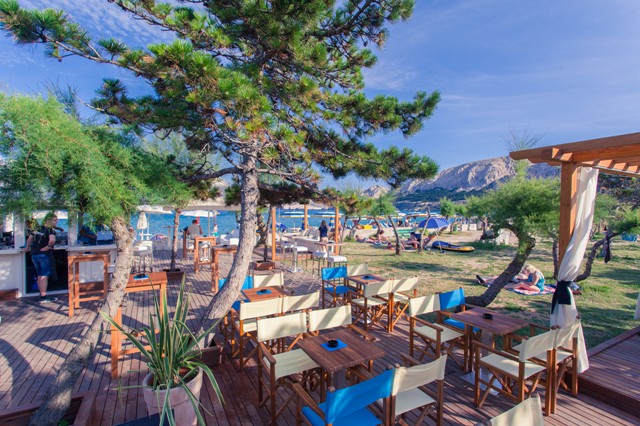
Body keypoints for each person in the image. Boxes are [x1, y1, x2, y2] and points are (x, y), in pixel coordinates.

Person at [26, 213, 58, 304]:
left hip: (34, 254)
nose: (56, 222)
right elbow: (52, 240)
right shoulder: (50, 230)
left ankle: (41, 295)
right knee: (44, 275)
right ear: (48, 220)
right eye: (55, 220)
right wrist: (48, 247)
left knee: (39, 275)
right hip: (44, 255)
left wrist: (27, 248)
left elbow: (29, 239)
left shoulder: (36, 229)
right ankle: (43, 297)